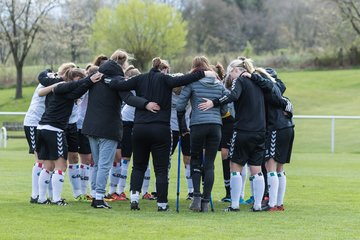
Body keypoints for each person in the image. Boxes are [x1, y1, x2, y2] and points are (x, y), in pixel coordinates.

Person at [105, 57, 216, 211]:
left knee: (138, 166)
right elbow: (187, 78)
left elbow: (119, 85)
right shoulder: (166, 79)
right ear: (163, 68)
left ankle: (135, 199)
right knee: (161, 168)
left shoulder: (139, 78)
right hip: (161, 128)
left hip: (140, 128)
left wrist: (107, 79)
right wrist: (205, 72)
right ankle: (162, 204)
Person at [198, 58, 290, 212]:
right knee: (256, 169)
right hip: (260, 132)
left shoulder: (239, 81)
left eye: (230, 73)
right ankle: (257, 206)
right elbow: (273, 88)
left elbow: (233, 96)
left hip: (242, 130)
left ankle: (234, 205)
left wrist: (213, 103)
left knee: (235, 167)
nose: (230, 77)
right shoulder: (260, 82)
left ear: (236, 70)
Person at [81, 49, 159, 209]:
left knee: (96, 164)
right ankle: (100, 198)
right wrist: (146, 103)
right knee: (104, 165)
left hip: (90, 127)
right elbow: (129, 98)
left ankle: (96, 195)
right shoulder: (117, 82)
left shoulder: (95, 81)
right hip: (108, 129)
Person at [36, 68, 103, 206]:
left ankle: (41, 199)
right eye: (79, 79)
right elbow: (75, 86)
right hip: (54, 130)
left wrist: (88, 82)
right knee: (61, 166)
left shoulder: (65, 91)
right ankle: (57, 199)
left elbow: (78, 90)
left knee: (48, 166)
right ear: (73, 78)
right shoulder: (62, 86)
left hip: (43, 128)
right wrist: (89, 79)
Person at [177, 56, 227, 212]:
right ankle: (206, 201)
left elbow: (180, 106)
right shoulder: (219, 84)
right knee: (210, 164)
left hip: (198, 125)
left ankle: (197, 197)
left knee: (195, 160)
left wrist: (182, 126)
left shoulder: (192, 83)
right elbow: (226, 107)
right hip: (215, 126)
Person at [250, 67, 294, 211]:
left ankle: (272, 204)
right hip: (287, 128)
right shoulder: (278, 88)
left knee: (270, 167)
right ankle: (279, 204)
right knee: (280, 168)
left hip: (276, 128)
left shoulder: (268, 90)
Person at [24, 83, 46, 203]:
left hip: (43, 124)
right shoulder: (47, 82)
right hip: (33, 123)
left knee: (45, 160)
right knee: (40, 160)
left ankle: (40, 195)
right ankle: (35, 195)